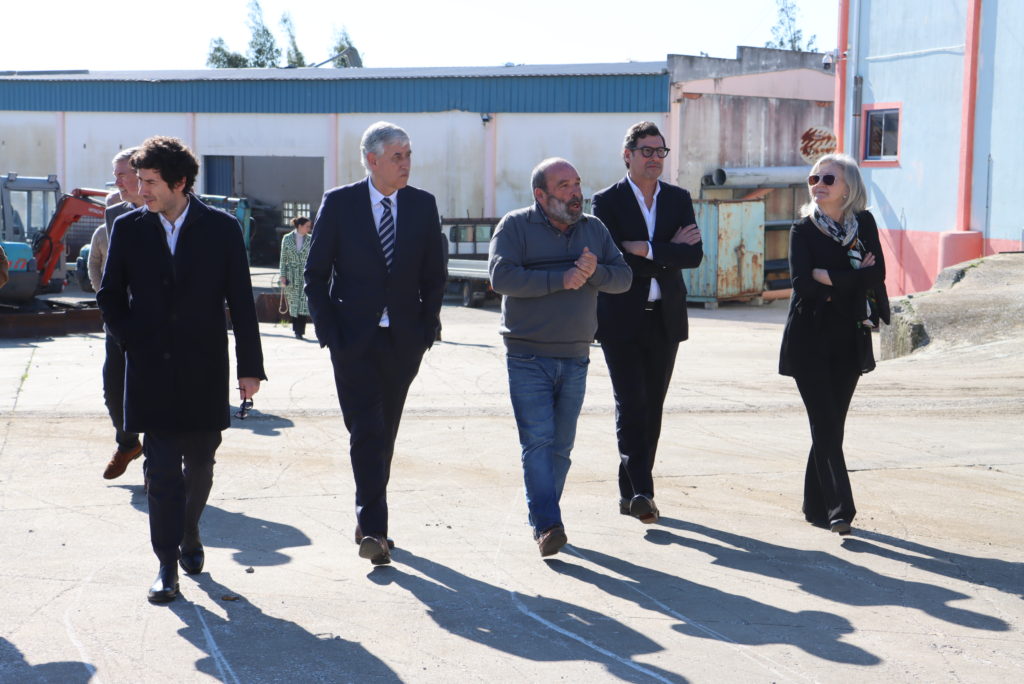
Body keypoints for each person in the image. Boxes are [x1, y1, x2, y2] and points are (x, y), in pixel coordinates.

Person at [97, 136, 266, 603]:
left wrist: (250, 369)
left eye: (150, 182)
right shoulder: (129, 227)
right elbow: (110, 294)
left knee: (202, 464)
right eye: (138, 180)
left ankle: (190, 530)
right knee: (161, 468)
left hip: (203, 368)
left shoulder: (221, 229)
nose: (140, 190)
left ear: (180, 182)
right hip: (150, 369)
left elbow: (241, 302)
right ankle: (166, 564)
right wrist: (131, 338)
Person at [304, 121, 445, 566]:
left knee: (385, 432)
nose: (406, 163)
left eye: (408, 155)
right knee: (367, 430)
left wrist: (426, 329)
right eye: (397, 156)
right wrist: (330, 333)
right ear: (372, 160)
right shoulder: (340, 203)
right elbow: (315, 274)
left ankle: (368, 517)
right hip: (352, 339)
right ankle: (375, 530)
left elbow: (434, 274)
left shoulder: (422, 205)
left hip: (403, 340)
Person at [488, 157, 631, 557]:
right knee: (538, 442)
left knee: (561, 447)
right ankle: (548, 524)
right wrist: (561, 279)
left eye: (577, 184)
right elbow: (501, 277)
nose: (575, 193)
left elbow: (624, 278)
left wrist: (594, 272)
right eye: (564, 186)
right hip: (527, 356)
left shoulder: (594, 229)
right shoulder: (515, 226)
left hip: (576, 355)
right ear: (541, 194)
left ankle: (544, 515)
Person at [592, 121, 704, 525]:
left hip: (665, 318)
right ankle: (643, 491)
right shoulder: (606, 202)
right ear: (628, 155)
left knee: (652, 406)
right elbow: (614, 261)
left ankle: (630, 494)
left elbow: (694, 256)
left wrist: (647, 249)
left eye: (660, 151)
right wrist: (667, 252)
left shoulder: (677, 199)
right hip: (620, 318)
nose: (655, 158)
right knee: (630, 403)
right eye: (647, 151)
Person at [778, 153, 890, 536]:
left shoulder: (865, 224)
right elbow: (803, 286)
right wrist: (851, 280)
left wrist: (831, 278)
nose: (818, 185)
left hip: (849, 337)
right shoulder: (802, 230)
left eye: (828, 179)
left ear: (848, 188)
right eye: (814, 179)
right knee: (824, 423)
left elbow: (878, 273)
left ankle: (814, 505)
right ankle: (841, 509)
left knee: (831, 425)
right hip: (809, 338)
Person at [94, 148, 147, 480]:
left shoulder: (172, 212)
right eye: (115, 175)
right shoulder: (115, 216)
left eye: (122, 174)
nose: (117, 182)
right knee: (114, 391)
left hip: (158, 322)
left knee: (156, 394)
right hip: (120, 321)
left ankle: (157, 465)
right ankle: (128, 443)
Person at [279, 216, 313, 339]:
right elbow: (283, 259)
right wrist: (282, 276)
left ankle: (300, 331)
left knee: (303, 303)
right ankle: (296, 329)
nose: (309, 229)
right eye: (307, 226)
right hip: (291, 275)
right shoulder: (287, 238)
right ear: (299, 226)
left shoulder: (311, 239)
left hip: (305, 275)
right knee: (294, 303)